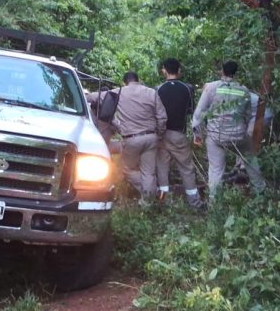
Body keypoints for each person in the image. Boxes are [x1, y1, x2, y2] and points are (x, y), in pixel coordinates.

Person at [86, 71, 167, 201]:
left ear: (124, 82)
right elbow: (162, 117)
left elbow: (92, 98)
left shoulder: (119, 92)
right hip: (152, 137)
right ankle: (149, 201)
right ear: (138, 80)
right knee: (149, 173)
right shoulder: (152, 93)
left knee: (127, 169)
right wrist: (159, 134)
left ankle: (152, 192)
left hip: (132, 138)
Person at [192, 60, 266, 199]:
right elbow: (248, 114)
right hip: (238, 135)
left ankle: (214, 202)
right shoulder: (244, 91)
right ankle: (260, 191)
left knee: (215, 169)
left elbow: (199, 112)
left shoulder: (211, 88)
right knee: (250, 159)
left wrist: (198, 133)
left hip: (216, 136)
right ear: (236, 73)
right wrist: (241, 129)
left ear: (222, 71)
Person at [155, 58, 203, 209]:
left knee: (162, 167)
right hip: (179, 134)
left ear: (164, 70)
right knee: (187, 168)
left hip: (162, 134)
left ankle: (164, 201)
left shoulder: (158, 89)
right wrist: (197, 134)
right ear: (179, 70)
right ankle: (194, 202)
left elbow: (155, 113)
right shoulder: (187, 88)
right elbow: (192, 112)